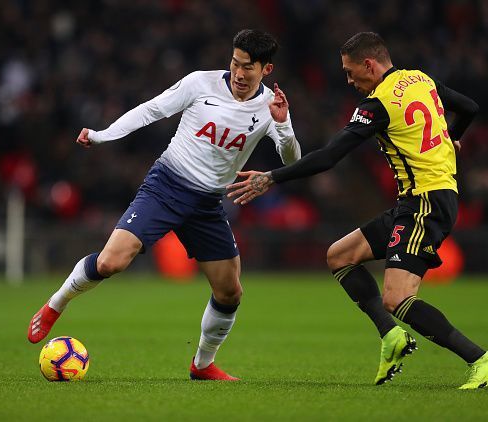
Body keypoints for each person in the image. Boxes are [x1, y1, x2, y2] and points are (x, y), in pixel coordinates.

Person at [227, 32, 488, 389]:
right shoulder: (420, 79)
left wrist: (271, 177)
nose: (348, 80)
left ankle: (482, 360)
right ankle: (391, 337)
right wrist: (454, 137)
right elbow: (469, 106)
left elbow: (329, 156)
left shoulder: (378, 104)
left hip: (425, 203)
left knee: (397, 297)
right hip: (420, 199)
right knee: (340, 256)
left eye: (350, 71)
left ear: (369, 65)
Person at [27, 29, 301, 381]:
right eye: (235, 63)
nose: (239, 73)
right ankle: (56, 303)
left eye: (248, 67)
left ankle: (202, 365)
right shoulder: (199, 84)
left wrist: (284, 126)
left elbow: (292, 160)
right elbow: (150, 110)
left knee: (230, 291)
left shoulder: (271, 107)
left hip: (207, 203)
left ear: (267, 69)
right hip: (167, 185)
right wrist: (101, 135)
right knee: (112, 262)